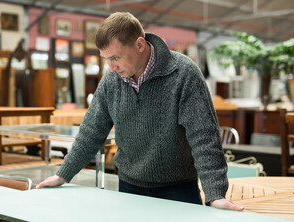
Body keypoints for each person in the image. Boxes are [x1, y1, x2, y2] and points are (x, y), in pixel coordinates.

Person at [37, 12, 243, 211]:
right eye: (105, 59)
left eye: (115, 58)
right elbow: (91, 132)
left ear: (139, 45)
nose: (111, 68)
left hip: (178, 190)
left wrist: (215, 194)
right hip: (129, 188)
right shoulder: (111, 81)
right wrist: (63, 174)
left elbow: (204, 138)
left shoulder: (184, 74)